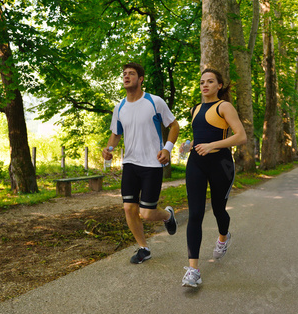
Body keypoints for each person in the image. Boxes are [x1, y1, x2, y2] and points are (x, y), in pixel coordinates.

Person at [102, 62, 180, 264]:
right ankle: (144, 248)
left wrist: (167, 149)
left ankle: (167, 216)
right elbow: (115, 134)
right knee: (129, 208)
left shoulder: (154, 102)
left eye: (132, 73)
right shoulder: (119, 107)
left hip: (152, 164)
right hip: (130, 164)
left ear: (141, 78)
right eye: (124, 74)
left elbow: (174, 125)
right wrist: (108, 150)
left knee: (146, 213)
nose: (126, 76)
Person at [181, 68, 247, 287]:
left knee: (219, 209)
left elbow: (241, 136)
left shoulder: (224, 106)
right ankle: (193, 270)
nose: (205, 85)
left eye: (210, 81)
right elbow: (199, 136)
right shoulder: (195, 108)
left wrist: (212, 146)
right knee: (196, 213)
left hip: (221, 165)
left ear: (219, 85)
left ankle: (223, 237)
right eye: (202, 82)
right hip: (196, 164)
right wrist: (189, 145)